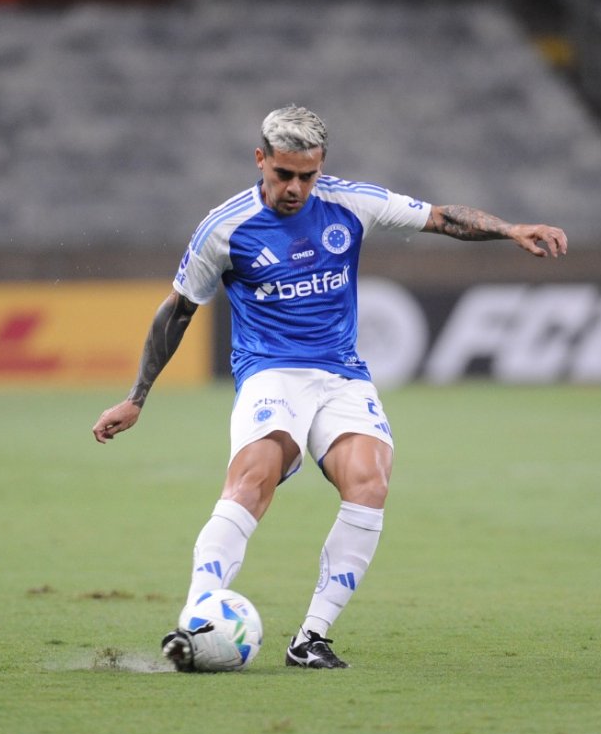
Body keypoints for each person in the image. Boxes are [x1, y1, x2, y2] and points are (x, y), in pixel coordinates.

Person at [91, 105, 568, 670]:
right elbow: (178, 311)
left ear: (321, 167)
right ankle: (195, 619)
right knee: (254, 477)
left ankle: (310, 638)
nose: (295, 188)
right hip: (271, 371)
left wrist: (511, 230)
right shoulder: (225, 227)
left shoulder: (350, 202)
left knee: (370, 481)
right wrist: (138, 397)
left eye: (307, 176)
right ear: (260, 160)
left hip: (342, 374)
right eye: (283, 174)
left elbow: (441, 218)